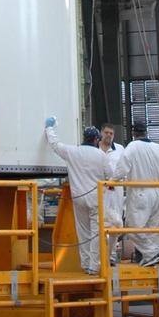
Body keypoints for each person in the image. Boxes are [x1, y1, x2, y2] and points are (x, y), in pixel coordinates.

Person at [44, 118, 111, 275]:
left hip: (79, 197)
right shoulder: (101, 156)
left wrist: (49, 128)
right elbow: (111, 175)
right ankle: (95, 266)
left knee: (83, 232)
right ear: (96, 139)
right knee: (95, 233)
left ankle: (86, 264)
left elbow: (55, 144)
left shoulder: (72, 152)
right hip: (96, 199)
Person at [117, 119, 159, 265]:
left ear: (133, 133)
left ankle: (152, 254)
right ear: (146, 132)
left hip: (141, 193)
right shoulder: (158, 148)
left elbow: (122, 166)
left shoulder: (133, 146)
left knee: (132, 228)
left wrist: (112, 181)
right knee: (154, 229)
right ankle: (151, 257)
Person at [98, 122, 124, 264]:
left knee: (116, 222)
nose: (108, 135)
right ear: (101, 132)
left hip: (116, 192)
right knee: (98, 222)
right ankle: (100, 255)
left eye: (111, 133)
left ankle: (112, 255)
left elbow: (125, 166)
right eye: (106, 132)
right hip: (98, 191)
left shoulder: (119, 149)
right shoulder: (95, 148)